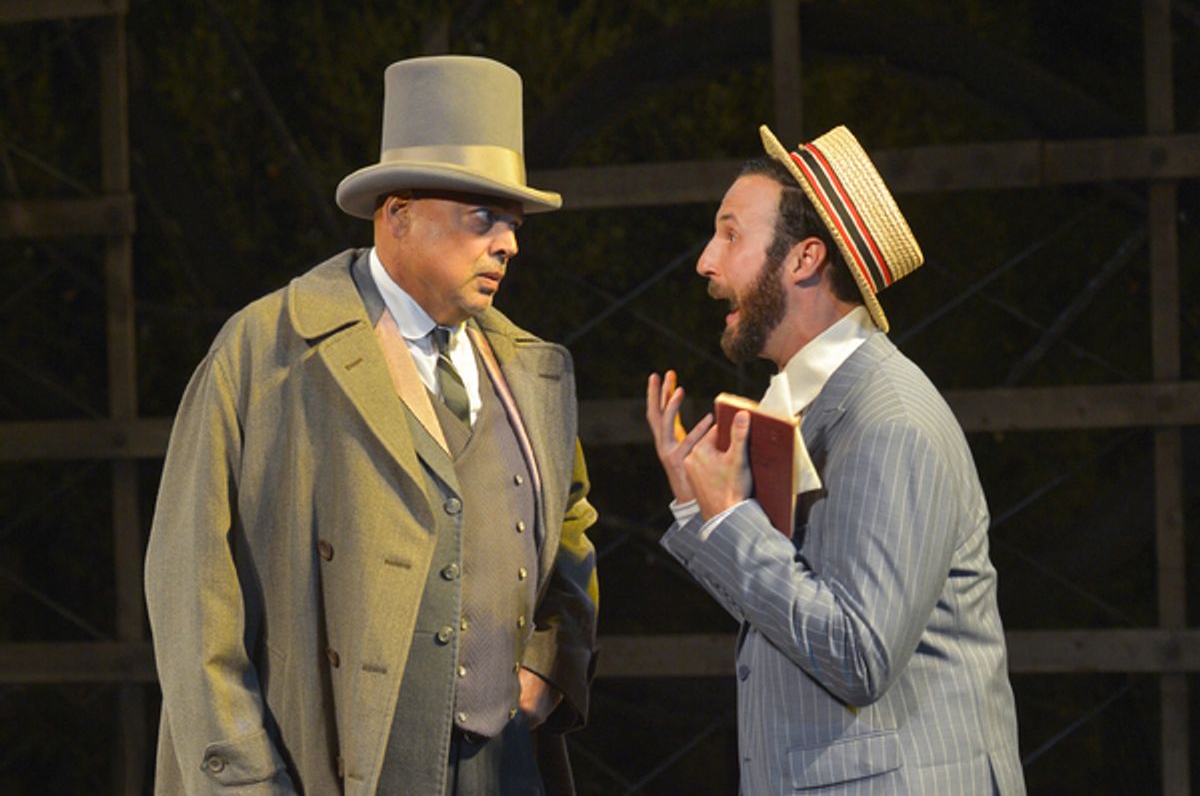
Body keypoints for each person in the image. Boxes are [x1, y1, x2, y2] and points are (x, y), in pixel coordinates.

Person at [145, 55, 599, 796]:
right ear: (399, 214)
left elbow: (571, 524)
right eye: (484, 218)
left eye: (512, 225)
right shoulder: (270, 353)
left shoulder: (529, 372)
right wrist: (245, 778)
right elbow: (191, 586)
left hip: (504, 767)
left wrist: (552, 658)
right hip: (333, 761)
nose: (509, 245)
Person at [645, 124, 1024, 794]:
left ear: (804, 259)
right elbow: (786, 622)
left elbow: (857, 655)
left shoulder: (888, 420)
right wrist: (698, 507)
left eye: (731, 234)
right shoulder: (810, 407)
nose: (707, 261)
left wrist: (730, 517)